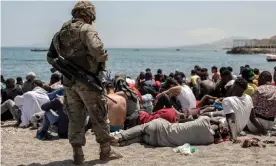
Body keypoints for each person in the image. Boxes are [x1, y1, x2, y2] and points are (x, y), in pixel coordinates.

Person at [47, 1, 122, 163]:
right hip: (88, 81)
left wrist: (66, 68)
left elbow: (50, 57)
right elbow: (97, 50)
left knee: (75, 118)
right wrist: (103, 57)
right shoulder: (86, 29)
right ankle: (105, 151)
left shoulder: (60, 33)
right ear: (89, 14)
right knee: (99, 116)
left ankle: (78, 155)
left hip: (69, 82)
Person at [112, 116, 218, 147]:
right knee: (141, 138)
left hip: (162, 127)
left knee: (142, 128)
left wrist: (219, 123)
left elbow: (189, 119)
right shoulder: (208, 140)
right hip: (158, 142)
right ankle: (122, 143)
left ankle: (119, 137)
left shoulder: (204, 121)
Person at [222, 77, 266, 142]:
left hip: (230, 130)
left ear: (235, 85)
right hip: (240, 129)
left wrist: (234, 137)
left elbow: (231, 120)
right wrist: (265, 131)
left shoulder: (227, 100)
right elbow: (253, 119)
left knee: (212, 119)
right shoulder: (248, 97)